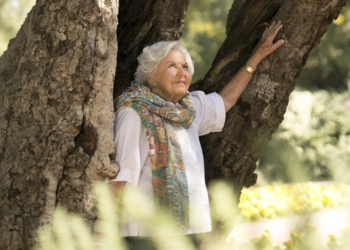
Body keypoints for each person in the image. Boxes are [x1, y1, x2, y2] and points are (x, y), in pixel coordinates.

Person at [111, 21, 284, 249]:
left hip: (191, 229)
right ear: (151, 77)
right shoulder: (133, 113)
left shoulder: (188, 110)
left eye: (185, 67)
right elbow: (121, 178)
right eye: (172, 65)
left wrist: (257, 57)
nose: (182, 72)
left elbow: (226, 100)